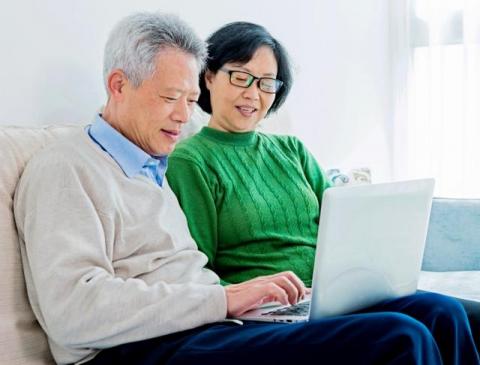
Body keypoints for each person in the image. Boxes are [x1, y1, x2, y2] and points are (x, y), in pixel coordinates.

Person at [14, 12, 478, 365]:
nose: (183, 116)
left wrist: (241, 306)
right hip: (138, 350)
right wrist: (225, 298)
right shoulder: (66, 168)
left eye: (191, 101)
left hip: (207, 327)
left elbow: (192, 277)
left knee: (439, 314)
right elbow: (72, 311)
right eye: (171, 98)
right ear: (118, 84)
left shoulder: (150, 168)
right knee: (401, 337)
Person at [165, 21, 480, 365]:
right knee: (405, 332)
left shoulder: (291, 150)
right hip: (267, 311)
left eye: (267, 82)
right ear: (209, 76)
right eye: (240, 76)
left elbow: (341, 227)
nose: (253, 94)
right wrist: (255, 294)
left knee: (445, 311)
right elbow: (200, 271)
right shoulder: (190, 160)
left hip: (330, 297)